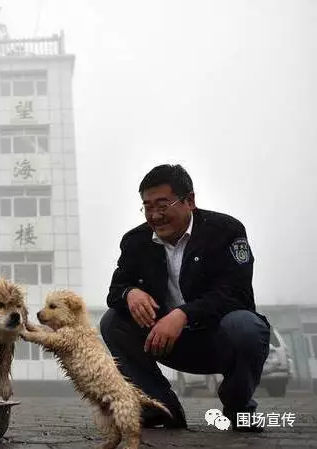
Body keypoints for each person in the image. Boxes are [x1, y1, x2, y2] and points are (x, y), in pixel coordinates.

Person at [99, 164, 271, 432]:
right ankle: (160, 408)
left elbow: (236, 293)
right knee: (113, 322)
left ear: (189, 200)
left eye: (163, 205)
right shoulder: (136, 241)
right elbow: (115, 290)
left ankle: (239, 408)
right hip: (166, 343)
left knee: (246, 327)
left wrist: (183, 314)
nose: (155, 215)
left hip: (219, 339)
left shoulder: (225, 230)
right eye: (147, 207)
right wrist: (129, 293)